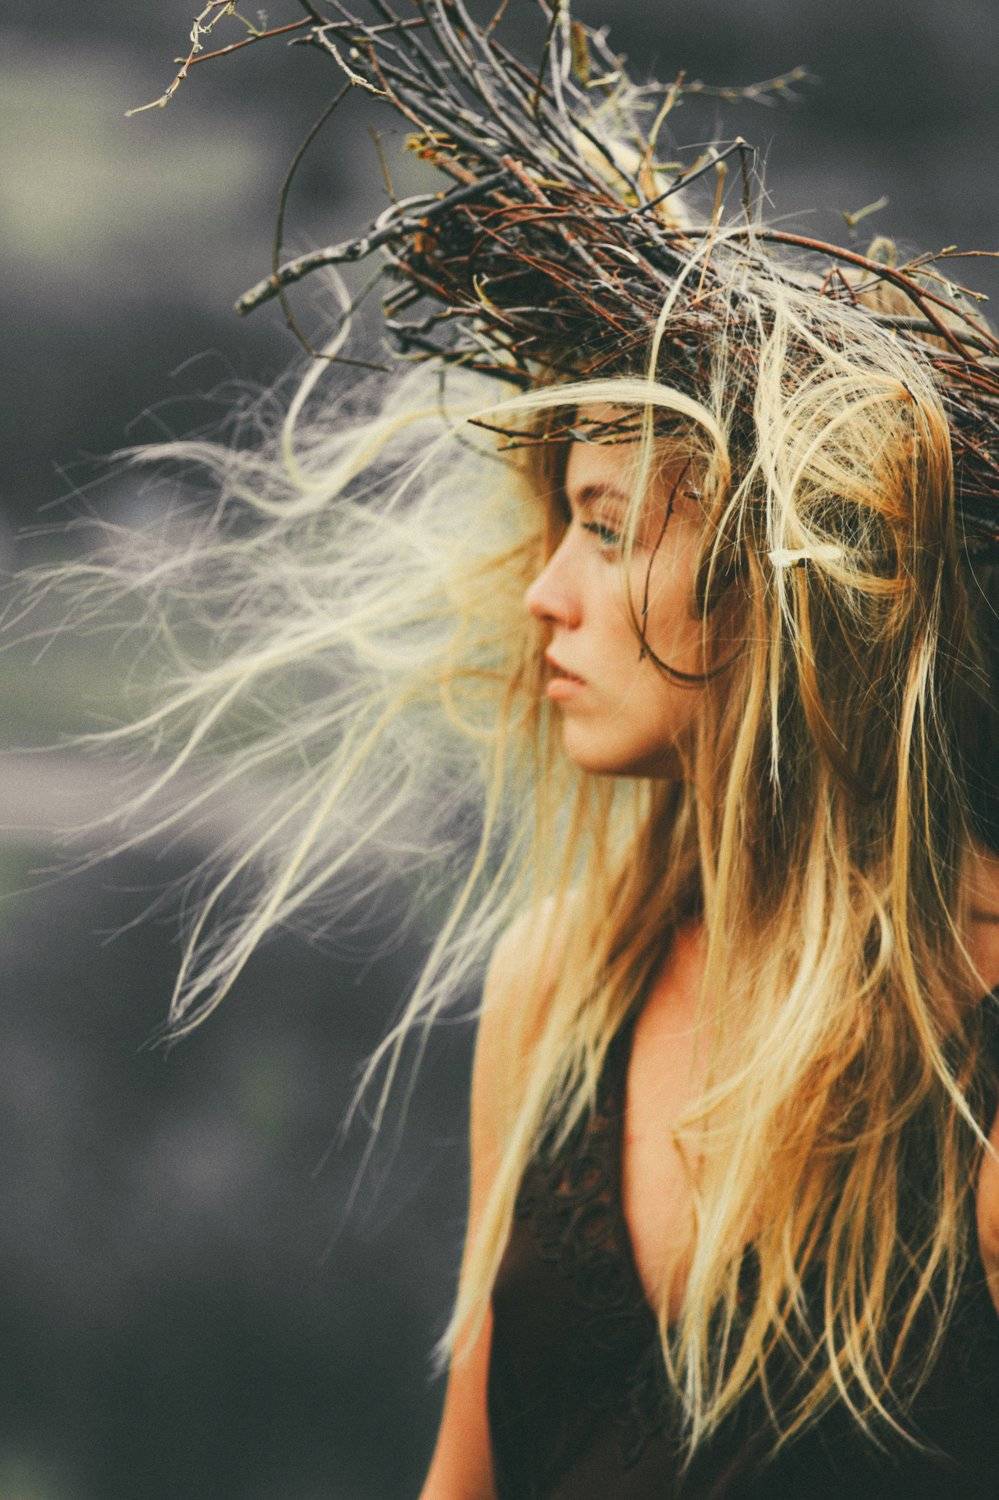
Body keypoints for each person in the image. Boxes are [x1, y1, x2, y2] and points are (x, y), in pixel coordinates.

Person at [23, 3, 999, 1494]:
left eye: (606, 529)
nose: (545, 591)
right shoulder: (568, 981)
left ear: (788, 585)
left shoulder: (972, 1066)